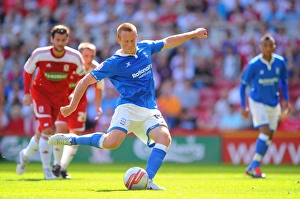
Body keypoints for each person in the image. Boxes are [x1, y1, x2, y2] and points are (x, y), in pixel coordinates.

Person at [48, 22, 208, 190]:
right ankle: (71, 139)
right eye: (126, 41)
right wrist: (72, 105)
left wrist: (193, 33)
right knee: (112, 143)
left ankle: (148, 181)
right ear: (118, 40)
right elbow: (85, 80)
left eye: (133, 40)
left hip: (149, 109)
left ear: (136, 37)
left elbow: (168, 41)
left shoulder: (145, 48)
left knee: (164, 138)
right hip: (128, 108)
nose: (130, 45)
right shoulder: (113, 63)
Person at [16, 25, 84, 180]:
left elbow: (82, 77)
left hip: (59, 99)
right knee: (47, 130)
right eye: (57, 40)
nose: (60, 43)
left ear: (67, 40)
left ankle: (25, 155)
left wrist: (74, 93)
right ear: (52, 39)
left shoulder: (74, 56)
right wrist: (27, 93)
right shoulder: (40, 54)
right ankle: (47, 170)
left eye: (63, 40)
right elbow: (27, 71)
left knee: (42, 131)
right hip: (41, 95)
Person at [240, 33, 291, 178]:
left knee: (270, 135)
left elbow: (283, 81)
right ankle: (255, 166)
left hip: (273, 102)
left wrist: (286, 99)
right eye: (265, 46)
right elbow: (243, 85)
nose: (268, 48)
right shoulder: (254, 64)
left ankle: (254, 164)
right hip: (257, 102)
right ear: (261, 47)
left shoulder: (280, 62)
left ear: (275, 46)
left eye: (271, 45)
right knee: (266, 131)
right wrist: (243, 106)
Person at [52, 42, 104, 179]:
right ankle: (56, 164)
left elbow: (99, 88)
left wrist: (98, 106)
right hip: (62, 101)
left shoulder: (95, 68)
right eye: (86, 55)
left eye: (91, 56)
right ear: (79, 54)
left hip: (80, 104)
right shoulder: (70, 63)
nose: (88, 58)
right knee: (61, 129)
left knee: (75, 135)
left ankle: (63, 167)